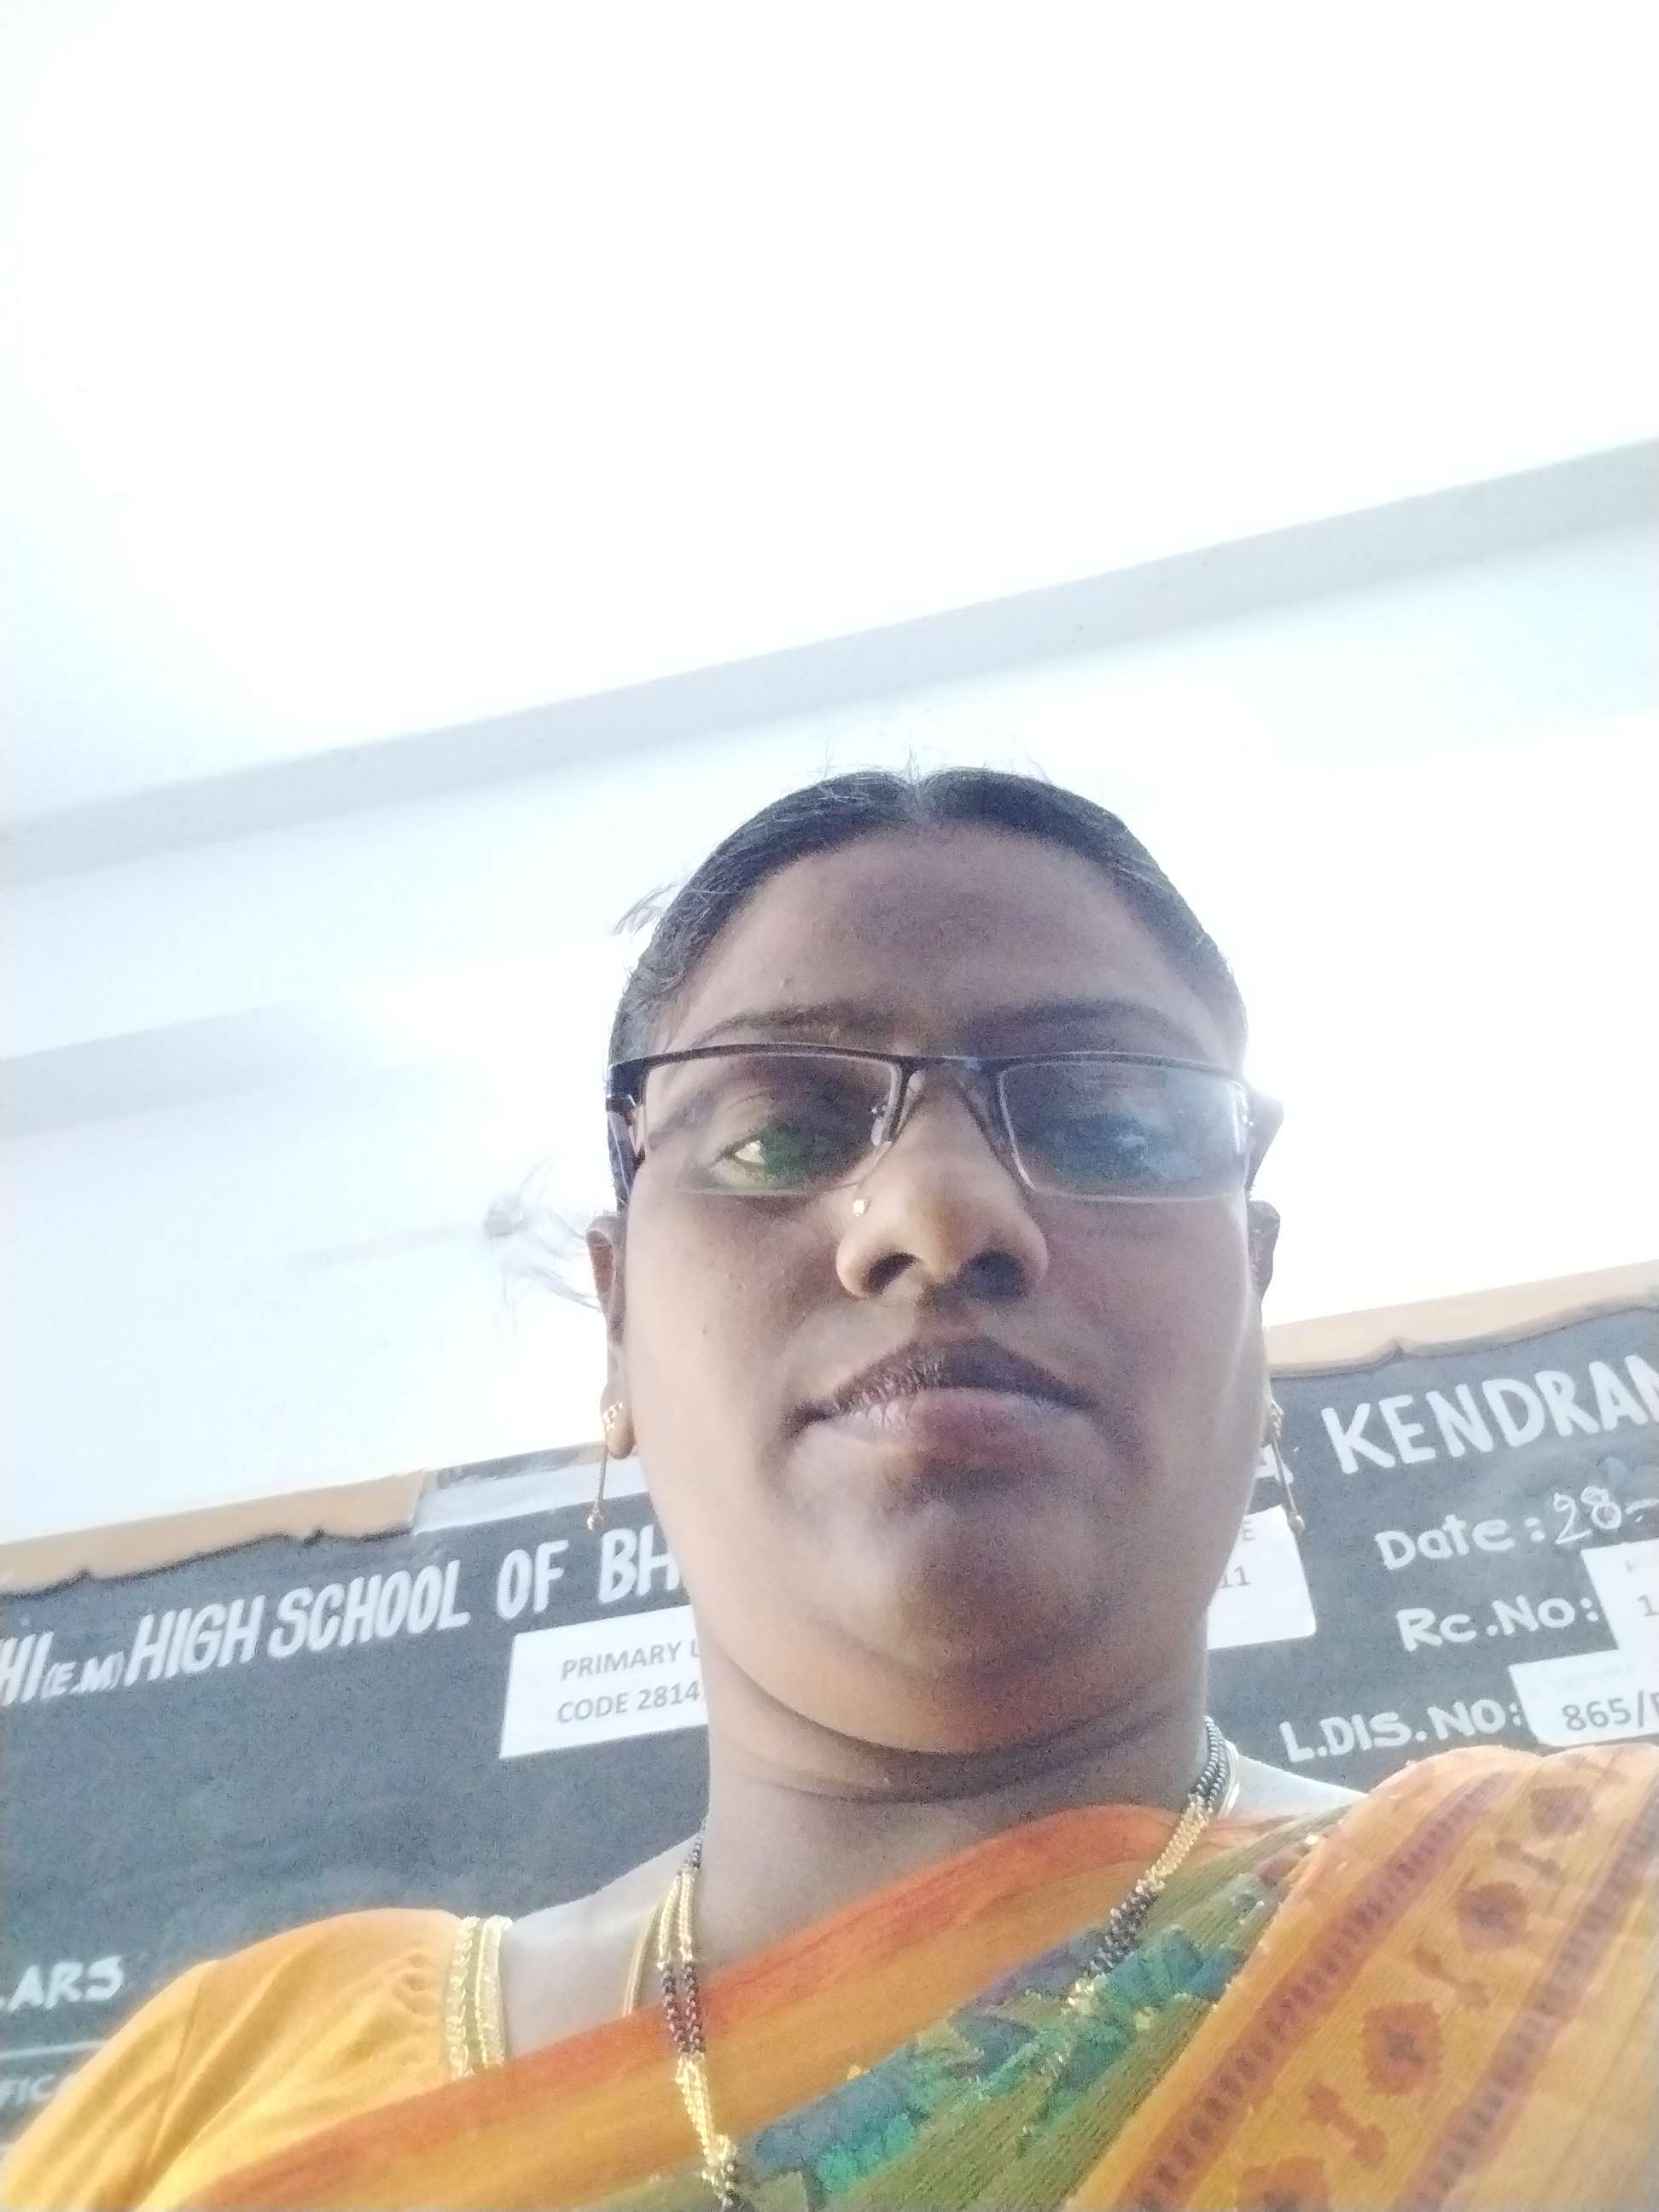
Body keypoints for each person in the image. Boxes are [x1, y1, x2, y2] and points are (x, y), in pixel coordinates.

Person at [9, 768, 1653, 2212]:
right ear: (618, 1329)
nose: (940, 1217)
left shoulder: (1602, 1943)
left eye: (1110, 1120)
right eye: (782, 1136)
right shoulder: (224, 2088)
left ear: (1257, 1297)